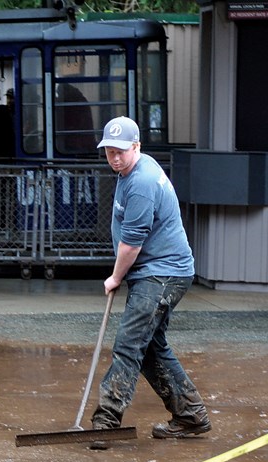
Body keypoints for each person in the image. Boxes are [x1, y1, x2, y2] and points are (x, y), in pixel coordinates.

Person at [90, 116, 211, 439]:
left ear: (137, 147)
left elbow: (132, 243)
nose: (115, 158)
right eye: (109, 151)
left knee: (128, 345)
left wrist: (115, 277)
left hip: (162, 274)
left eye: (121, 151)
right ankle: (190, 416)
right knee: (151, 349)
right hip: (160, 271)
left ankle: (106, 422)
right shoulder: (131, 170)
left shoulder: (142, 183)